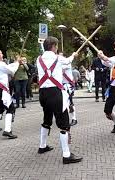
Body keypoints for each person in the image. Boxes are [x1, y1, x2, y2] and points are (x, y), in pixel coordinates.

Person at [37, 36, 82, 164]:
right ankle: (66, 155)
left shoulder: (38, 59)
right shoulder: (58, 58)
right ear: (53, 46)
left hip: (43, 93)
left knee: (47, 119)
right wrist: (74, 55)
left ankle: (42, 146)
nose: (57, 48)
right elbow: (68, 62)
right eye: (56, 46)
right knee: (64, 124)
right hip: (55, 93)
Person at [0, 48, 20, 139]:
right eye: (1, 53)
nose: (2, 55)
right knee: (11, 108)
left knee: (0, 107)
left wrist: (15, 63)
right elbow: (11, 71)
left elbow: (7, 67)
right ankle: (7, 130)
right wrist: (17, 63)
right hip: (1, 89)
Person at [61, 53, 77, 126]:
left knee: (69, 102)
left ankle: (74, 118)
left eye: (61, 56)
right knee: (63, 103)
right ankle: (65, 118)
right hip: (61, 86)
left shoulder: (67, 64)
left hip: (68, 86)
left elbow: (62, 67)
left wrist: (72, 56)